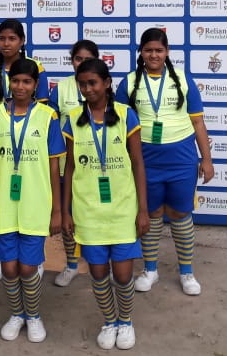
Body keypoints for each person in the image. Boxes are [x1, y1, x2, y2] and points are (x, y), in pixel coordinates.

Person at [115, 27, 214, 296]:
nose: (154, 55)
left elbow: (197, 122)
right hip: (146, 159)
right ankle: (150, 270)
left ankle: (186, 272)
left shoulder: (182, 79)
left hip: (181, 158)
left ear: (167, 52)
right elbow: (119, 125)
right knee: (152, 213)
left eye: (159, 50)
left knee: (181, 214)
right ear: (141, 52)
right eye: (148, 50)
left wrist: (206, 159)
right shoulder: (129, 82)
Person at [62, 58, 149, 350]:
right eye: (82, 84)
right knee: (98, 273)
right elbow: (69, 168)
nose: (88, 89)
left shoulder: (126, 115)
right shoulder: (73, 118)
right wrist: (66, 211)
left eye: (93, 83)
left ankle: (126, 321)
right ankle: (110, 321)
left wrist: (143, 210)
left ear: (107, 83)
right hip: (88, 211)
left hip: (122, 209)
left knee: (123, 275)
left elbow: (138, 163)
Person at [0, 58, 65, 343]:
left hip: (35, 203)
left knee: (28, 268)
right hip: (2, 203)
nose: (20, 86)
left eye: (26, 82)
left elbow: (53, 166)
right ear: (9, 82)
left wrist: (56, 210)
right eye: (15, 80)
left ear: (35, 85)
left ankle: (34, 315)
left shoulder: (48, 116)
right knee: (8, 267)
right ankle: (17, 314)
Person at [0, 18, 49, 282]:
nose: (6, 43)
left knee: (29, 201)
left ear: (22, 41)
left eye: (12, 38)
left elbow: (41, 110)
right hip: (0, 140)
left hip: (27, 142)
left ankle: (34, 257)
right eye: (1, 38)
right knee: (1, 200)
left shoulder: (36, 68)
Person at [48, 39, 99, 287]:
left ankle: (102, 262)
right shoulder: (61, 89)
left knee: (96, 214)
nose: (82, 63)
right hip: (67, 163)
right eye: (78, 59)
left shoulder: (103, 87)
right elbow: (51, 125)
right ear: (72, 61)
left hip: (98, 164)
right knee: (68, 215)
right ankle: (71, 264)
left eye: (88, 59)